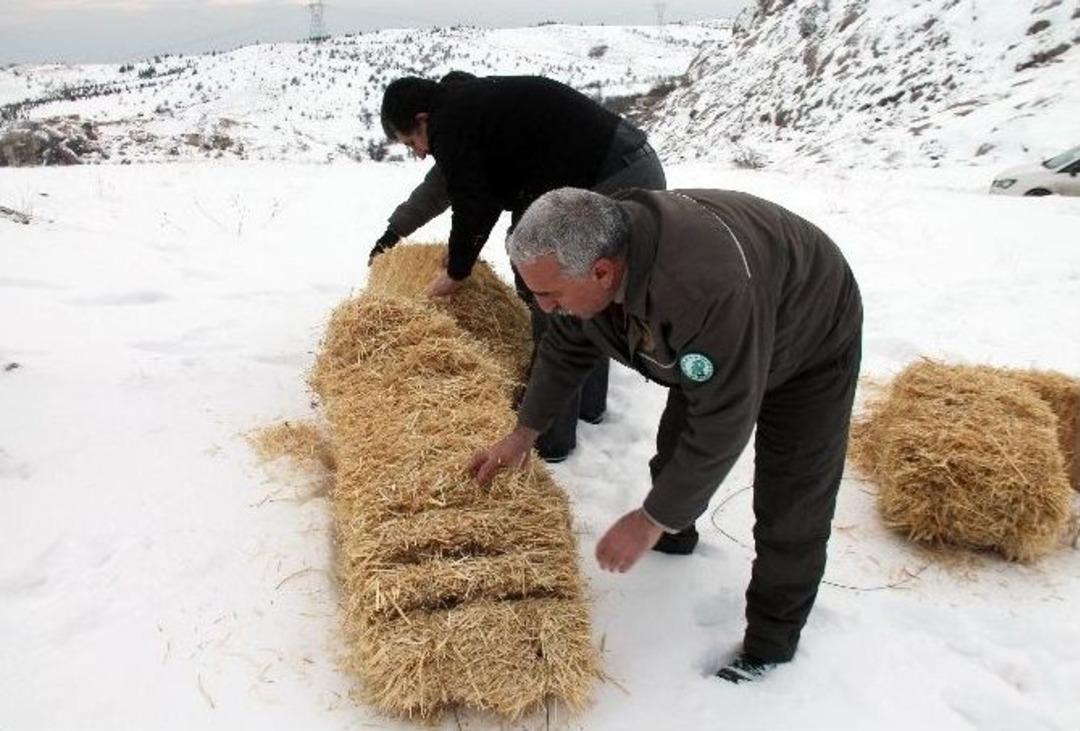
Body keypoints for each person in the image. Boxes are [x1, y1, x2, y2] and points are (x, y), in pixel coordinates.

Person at [468, 187, 863, 683]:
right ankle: (677, 536)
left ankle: (771, 642)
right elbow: (566, 350)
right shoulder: (589, 269)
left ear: (603, 272)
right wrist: (523, 433)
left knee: (793, 498)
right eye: (535, 294)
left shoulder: (702, 289)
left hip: (809, 337)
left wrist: (652, 516)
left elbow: (723, 421)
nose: (544, 307)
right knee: (676, 445)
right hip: (723, 330)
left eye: (550, 295)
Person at [371, 73, 666, 462]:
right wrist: (393, 234)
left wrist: (457, 271)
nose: (420, 153)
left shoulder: (454, 122)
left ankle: (549, 440)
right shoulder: (467, 110)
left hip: (614, 177)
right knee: (591, 296)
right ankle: (589, 408)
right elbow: (442, 188)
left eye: (412, 143)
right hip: (629, 162)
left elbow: (476, 204)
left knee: (558, 297)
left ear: (423, 120)